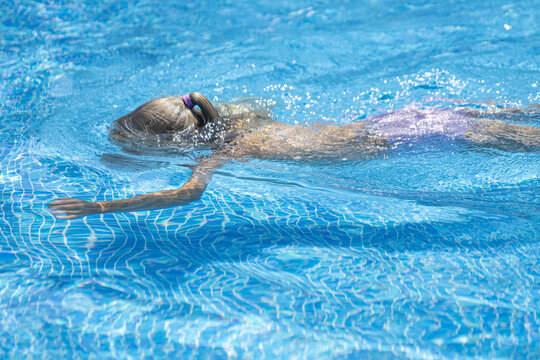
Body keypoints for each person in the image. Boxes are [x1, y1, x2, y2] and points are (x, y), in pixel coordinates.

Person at [48, 92, 539, 219]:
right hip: (405, 118)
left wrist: (103, 207)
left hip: (423, 135)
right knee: (519, 118)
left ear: (184, 141)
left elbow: (187, 194)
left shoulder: (230, 148)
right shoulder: (236, 121)